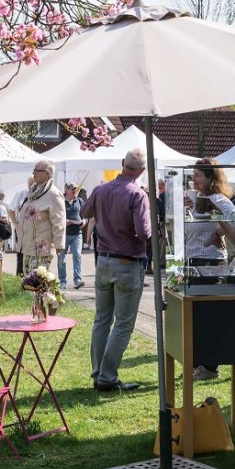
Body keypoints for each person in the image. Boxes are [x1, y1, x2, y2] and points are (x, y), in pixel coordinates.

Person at [82, 148, 152, 392]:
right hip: (127, 261)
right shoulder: (138, 194)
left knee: (102, 319)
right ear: (142, 171)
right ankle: (107, 377)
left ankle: (98, 372)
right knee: (123, 323)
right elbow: (143, 233)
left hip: (104, 260)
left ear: (123, 163)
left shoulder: (101, 189)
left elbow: (84, 212)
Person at [183, 159, 235, 381]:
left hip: (211, 264)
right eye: (193, 174)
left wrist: (218, 232)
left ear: (210, 178)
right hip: (193, 262)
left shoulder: (218, 199)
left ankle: (210, 367)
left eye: (197, 175)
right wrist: (184, 210)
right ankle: (199, 363)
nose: (193, 179)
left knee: (209, 317)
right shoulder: (195, 201)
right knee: (195, 317)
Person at [14, 161, 64, 272]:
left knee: (37, 281)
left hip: (41, 247)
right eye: (34, 170)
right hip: (28, 245)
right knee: (28, 281)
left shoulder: (53, 194)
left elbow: (59, 220)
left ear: (47, 174)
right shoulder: (33, 191)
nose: (33, 173)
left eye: (37, 170)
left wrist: (59, 243)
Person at [58, 183, 85, 290]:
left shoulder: (79, 201)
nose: (75, 191)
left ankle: (77, 280)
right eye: (72, 189)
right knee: (61, 259)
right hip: (63, 234)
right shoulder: (60, 201)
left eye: (75, 189)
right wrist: (63, 222)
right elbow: (55, 216)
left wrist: (84, 221)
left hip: (77, 234)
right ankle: (62, 281)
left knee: (77, 255)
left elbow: (85, 216)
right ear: (66, 190)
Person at [8, 177, 35, 273]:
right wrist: (16, 225)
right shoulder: (21, 193)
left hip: (36, 230)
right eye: (30, 183)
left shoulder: (44, 194)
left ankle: (33, 278)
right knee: (21, 255)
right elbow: (11, 210)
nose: (31, 186)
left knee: (34, 256)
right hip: (22, 229)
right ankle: (19, 279)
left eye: (33, 183)